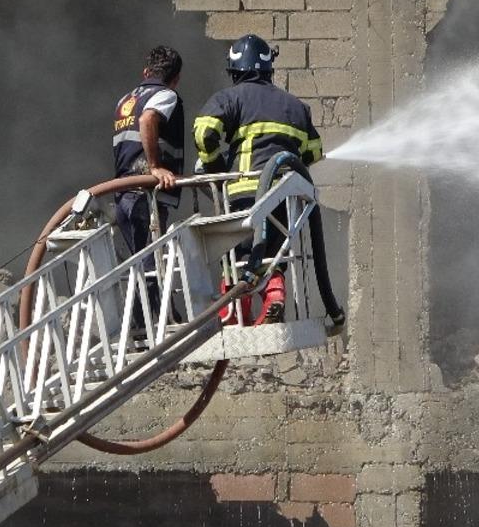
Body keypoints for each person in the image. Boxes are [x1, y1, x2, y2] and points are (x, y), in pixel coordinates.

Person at [193, 34, 323, 323]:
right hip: (285, 199)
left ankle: (232, 312)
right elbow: (313, 152)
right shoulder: (297, 107)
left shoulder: (230, 98)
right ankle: (274, 295)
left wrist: (215, 168)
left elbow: (204, 132)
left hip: (244, 195)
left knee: (237, 257)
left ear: (234, 70)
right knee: (272, 255)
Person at [113, 45, 185, 263]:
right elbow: (147, 119)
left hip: (124, 194)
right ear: (176, 79)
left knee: (141, 269)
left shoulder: (126, 100)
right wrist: (155, 166)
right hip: (146, 196)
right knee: (151, 271)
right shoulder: (166, 95)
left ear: (146, 72)